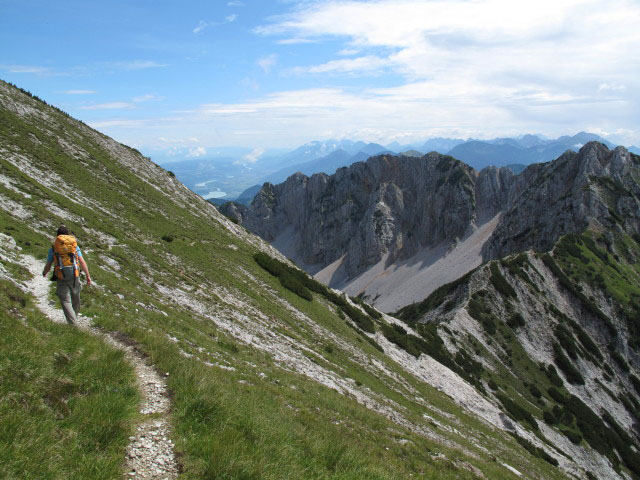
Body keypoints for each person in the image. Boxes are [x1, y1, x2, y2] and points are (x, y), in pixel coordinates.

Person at [42, 225, 92, 324]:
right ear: (68, 235)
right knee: (76, 298)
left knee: (65, 300)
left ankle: (73, 324)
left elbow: (48, 264)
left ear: (57, 236)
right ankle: (75, 318)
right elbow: (82, 261)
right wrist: (87, 275)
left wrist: (45, 272)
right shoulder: (74, 247)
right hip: (74, 274)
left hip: (61, 275)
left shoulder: (54, 248)